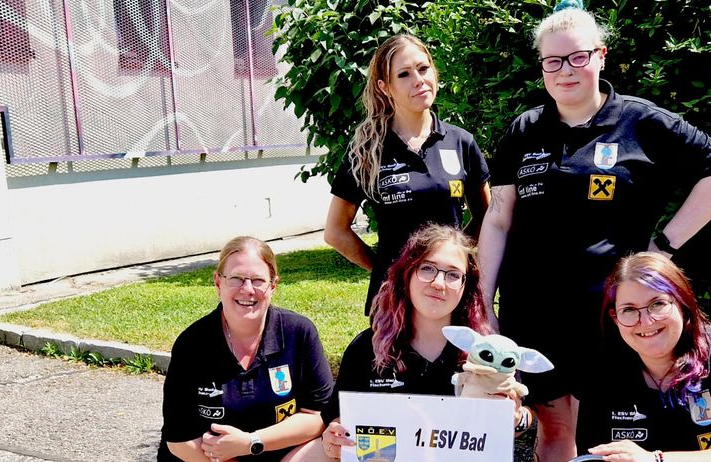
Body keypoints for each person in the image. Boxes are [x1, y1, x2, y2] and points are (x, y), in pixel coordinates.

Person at [477, 3, 711, 460]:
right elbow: (498, 219)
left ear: (601, 56)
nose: (566, 71)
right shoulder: (524, 130)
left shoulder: (642, 122)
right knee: (554, 432)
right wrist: (483, 302)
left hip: (615, 317)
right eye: (553, 61)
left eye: (578, 57)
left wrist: (663, 248)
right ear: (542, 67)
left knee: (614, 437)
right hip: (534, 311)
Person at [295, 224, 532, 460]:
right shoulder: (367, 348)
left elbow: (523, 416)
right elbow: (339, 419)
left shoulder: (488, 351)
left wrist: (516, 418)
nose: (439, 283)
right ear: (406, 274)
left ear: (466, 286)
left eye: (453, 274)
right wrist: (333, 439)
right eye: (427, 269)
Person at [325, 34, 491, 316]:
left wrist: (455, 258)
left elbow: (488, 216)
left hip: (449, 294)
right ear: (385, 87)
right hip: (394, 297)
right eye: (404, 74)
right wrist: (391, 269)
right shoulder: (367, 149)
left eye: (423, 68)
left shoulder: (461, 142)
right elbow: (336, 232)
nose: (418, 80)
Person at [575, 252, 711, 461]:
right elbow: (594, 457)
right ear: (615, 318)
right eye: (629, 310)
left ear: (683, 304)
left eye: (657, 304)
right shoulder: (603, 373)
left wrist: (655, 460)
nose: (646, 321)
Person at [158, 236, 334, 462]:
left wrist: (251, 442)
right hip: (207, 460)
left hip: (277, 454)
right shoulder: (192, 344)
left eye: (258, 280)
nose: (247, 289)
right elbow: (180, 440)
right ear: (218, 283)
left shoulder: (298, 332)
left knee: (330, 451)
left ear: (273, 285)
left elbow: (317, 417)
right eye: (236, 279)